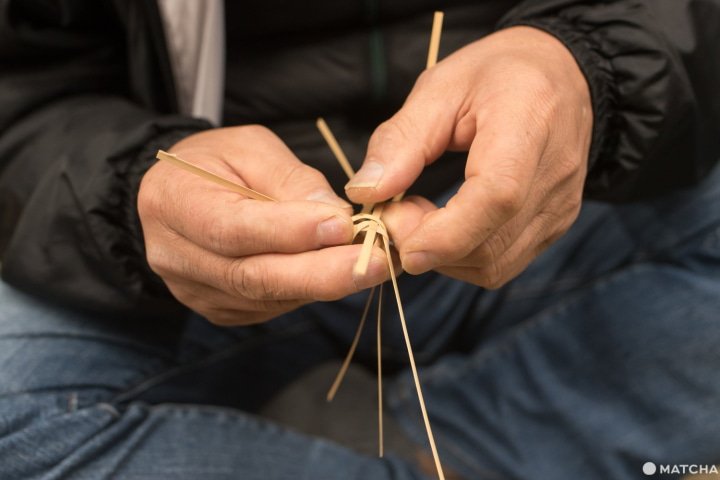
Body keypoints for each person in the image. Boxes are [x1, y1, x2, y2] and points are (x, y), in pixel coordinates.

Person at [1, 1, 719, 478]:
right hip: (214, 239)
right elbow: (22, 91)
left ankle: (453, 448)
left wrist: (591, 69)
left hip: (576, 194)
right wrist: (133, 193)